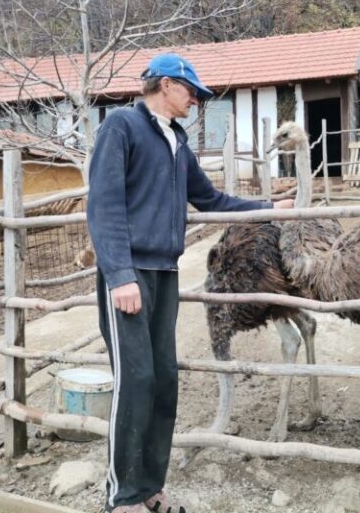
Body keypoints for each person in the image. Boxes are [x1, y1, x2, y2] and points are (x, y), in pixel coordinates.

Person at [87, 53, 293, 513]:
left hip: (165, 272)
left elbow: (210, 198)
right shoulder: (121, 126)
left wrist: (267, 208)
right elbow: (103, 205)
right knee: (135, 380)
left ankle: (150, 490)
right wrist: (119, 274)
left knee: (163, 380)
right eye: (191, 92)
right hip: (129, 275)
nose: (197, 101)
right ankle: (122, 498)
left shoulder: (177, 142)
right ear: (164, 85)